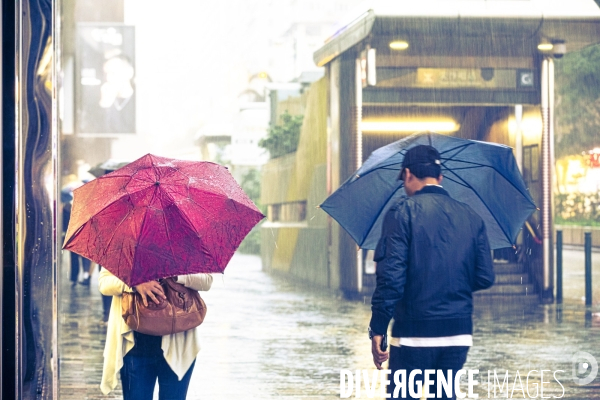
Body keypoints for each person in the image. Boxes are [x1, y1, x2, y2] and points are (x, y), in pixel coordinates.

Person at [368, 145, 495, 399]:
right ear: (440, 177)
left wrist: (378, 329)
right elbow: (484, 276)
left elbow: (391, 279)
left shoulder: (401, 212)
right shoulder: (471, 216)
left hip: (414, 334)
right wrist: (447, 280)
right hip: (458, 334)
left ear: (407, 174)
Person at [98, 268, 213, 399]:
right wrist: (135, 284)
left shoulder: (186, 248)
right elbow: (104, 283)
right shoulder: (124, 248)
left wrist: (175, 275)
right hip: (135, 346)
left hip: (179, 345)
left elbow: (207, 281)